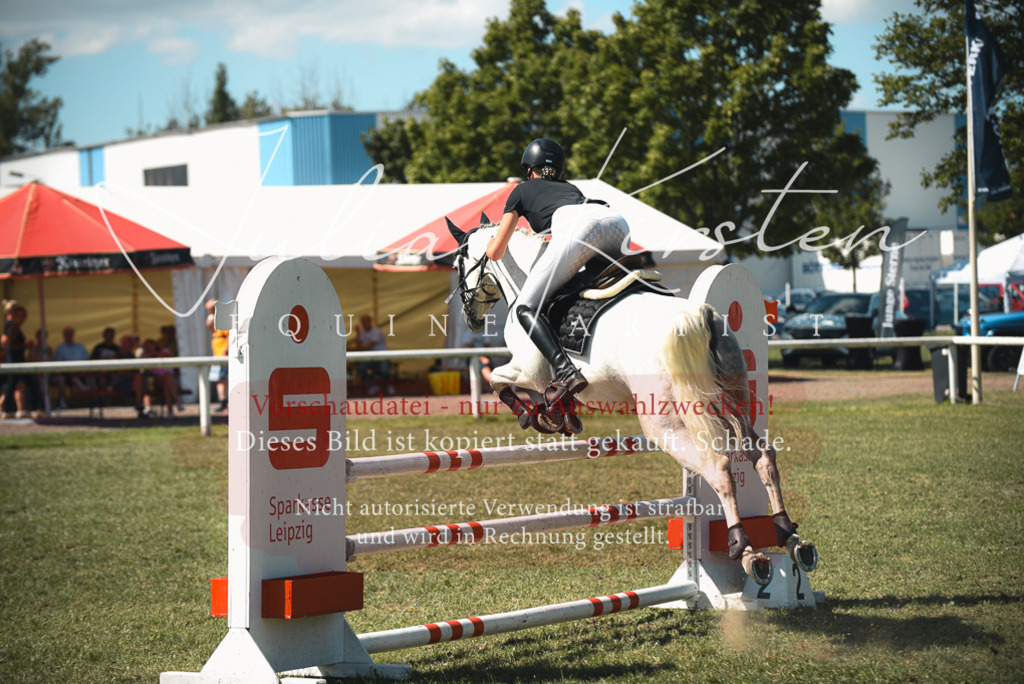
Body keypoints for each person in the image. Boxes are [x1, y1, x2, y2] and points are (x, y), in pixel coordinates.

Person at [485, 138, 631, 404]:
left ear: (529, 168)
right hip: (617, 223)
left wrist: (488, 245)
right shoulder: (569, 187)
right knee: (574, 291)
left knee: (525, 308)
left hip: (580, 226)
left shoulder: (521, 190)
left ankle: (566, 371)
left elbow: (496, 252)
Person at [352, 314, 393, 396]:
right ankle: (373, 385)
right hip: (372, 358)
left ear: (370, 322)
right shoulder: (363, 332)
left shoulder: (376, 331)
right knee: (360, 368)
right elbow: (358, 346)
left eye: (365, 321)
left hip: (383, 357)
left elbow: (367, 347)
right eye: (362, 322)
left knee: (384, 371)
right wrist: (358, 333)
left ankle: (389, 386)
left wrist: (361, 347)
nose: (364, 323)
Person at [1, 302, 30, 418]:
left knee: (16, 385)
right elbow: (5, 342)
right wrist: (24, 345)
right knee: (14, 385)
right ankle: (7, 409)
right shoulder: (11, 325)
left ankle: (19, 409)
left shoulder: (11, 324)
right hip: (14, 360)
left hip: (15, 359)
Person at [54, 326, 92, 408]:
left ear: (74, 335)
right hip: (67, 374)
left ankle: (91, 398)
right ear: (63, 335)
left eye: (71, 334)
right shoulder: (60, 349)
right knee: (63, 379)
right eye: (67, 334)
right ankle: (63, 401)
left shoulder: (80, 347)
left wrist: (84, 370)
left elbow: (86, 360)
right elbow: (58, 364)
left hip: (82, 372)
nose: (69, 336)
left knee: (91, 377)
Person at [206, 300, 229, 411]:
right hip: (218, 354)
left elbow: (229, 335)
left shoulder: (223, 319)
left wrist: (225, 350)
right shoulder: (214, 319)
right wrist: (210, 325)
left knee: (222, 379)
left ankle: (225, 401)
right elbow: (214, 332)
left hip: (222, 354)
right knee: (219, 379)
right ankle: (223, 401)